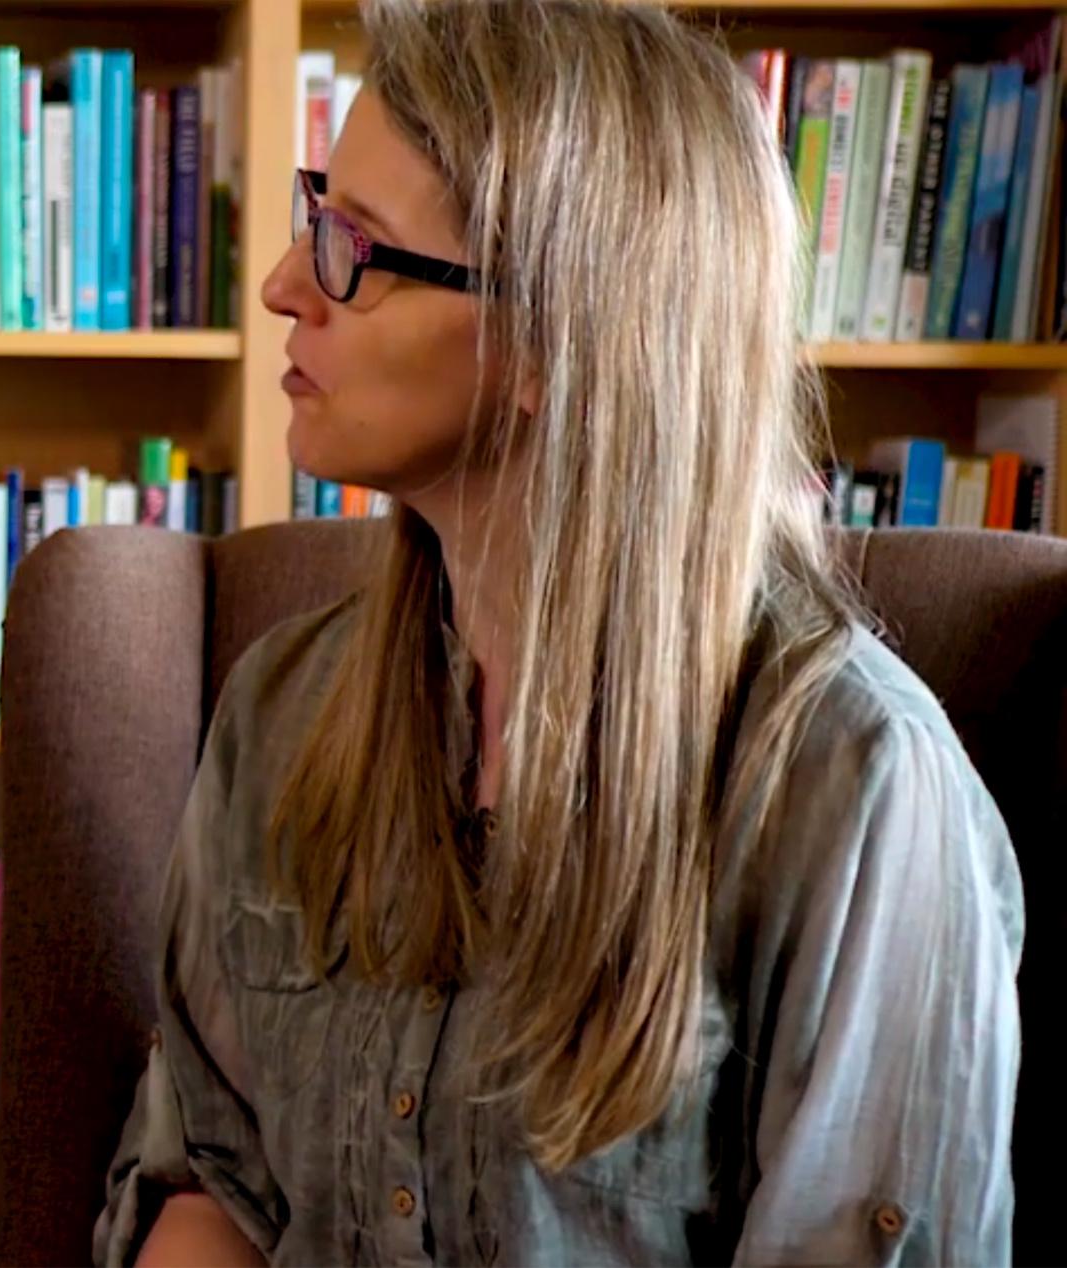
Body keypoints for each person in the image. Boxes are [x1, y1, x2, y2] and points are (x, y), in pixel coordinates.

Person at [100, 2, 1022, 1265]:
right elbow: (208, 1180)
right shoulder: (278, 713)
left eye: (350, 248)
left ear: (553, 337)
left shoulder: (859, 800)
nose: (280, 284)